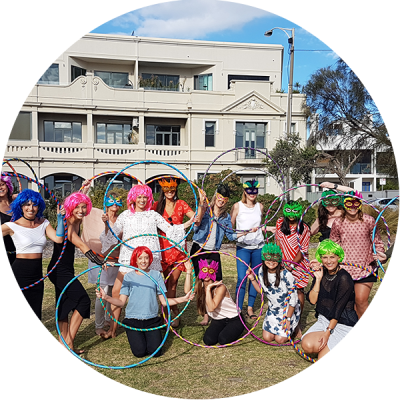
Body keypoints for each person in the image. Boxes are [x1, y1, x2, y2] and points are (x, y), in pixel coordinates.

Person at [100, 184, 194, 339]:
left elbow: (169, 230)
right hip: (128, 258)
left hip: (150, 259)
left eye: (145, 197)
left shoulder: (153, 215)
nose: (142, 200)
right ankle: (113, 328)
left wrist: (188, 223)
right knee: (117, 292)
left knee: (154, 292)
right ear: (133, 198)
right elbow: (113, 235)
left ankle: (158, 321)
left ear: (149, 198)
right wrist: (105, 224)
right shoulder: (124, 215)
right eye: (139, 197)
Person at [96, 246, 194, 358]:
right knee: (139, 353)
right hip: (133, 320)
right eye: (140, 258)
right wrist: (106, 297)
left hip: (151, 320)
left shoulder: (156, 275)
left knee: (156, 353)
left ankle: (149, 336)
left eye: (146, 258)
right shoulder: (128, 277)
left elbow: (164, 302)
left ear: (150, 259)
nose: (143, 261)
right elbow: (121, 302)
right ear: (135, 260)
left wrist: (184, 299)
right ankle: (139, 336)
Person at [47, 191, 106, 353]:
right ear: (70, 208)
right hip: (58, 270)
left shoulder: (77, 220)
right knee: (83, 301)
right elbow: (81, 245)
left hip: (66, 268)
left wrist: (84, 189)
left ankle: (63, 343)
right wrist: (101, 261)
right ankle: (68, 343)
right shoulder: (67, 223)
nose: (81, 210)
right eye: (77, 207)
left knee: (64, 306)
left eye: (83, 207)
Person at [192, 183, 258, 325]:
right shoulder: (205, 210)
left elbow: (231, 235)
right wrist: (201, 205)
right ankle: (205, 315)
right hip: (200, 249)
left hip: (214, 251)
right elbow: (195, 224)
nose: (222, 201)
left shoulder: (226, 217)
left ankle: (214, 311)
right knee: (202, 284)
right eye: (220, 197)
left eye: (225, 199)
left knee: (215, 283)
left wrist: (247, 231)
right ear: (216, 196)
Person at [1, 189, 64, 320]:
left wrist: (60, 219)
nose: (31, 208)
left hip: (36, 274)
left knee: (35, 311)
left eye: (34, 204)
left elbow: (58, 239)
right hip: (19, 273)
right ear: (21, 206)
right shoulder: (12, 225)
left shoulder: (44, 223)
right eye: (27, 204)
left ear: (39, 206)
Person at [330, 191, 385, 320]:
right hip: (345, 268)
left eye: (356, 202)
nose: (353, 206)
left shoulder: (369, 220)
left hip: (366, 267)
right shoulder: (338, 222)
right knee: (350, 304)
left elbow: (377, 241)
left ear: (360, 203)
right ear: (344, 204)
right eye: (349, 203)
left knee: (361, 301)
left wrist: (380, 255)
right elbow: (334, 246)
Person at [301, 239, 359, 360]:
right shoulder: (321, 273)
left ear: (339, 257)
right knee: (307, 346)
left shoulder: (344, 278)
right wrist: (317, 279)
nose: (328, 261)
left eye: (332, 257)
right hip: (324, 320)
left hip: (343, 323)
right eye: (325, 257)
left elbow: (338, 309)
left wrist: (327, 333)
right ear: (320, 258)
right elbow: (312, 300)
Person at [80, 180, 121, 336]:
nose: (114, 205)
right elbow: (80, 204)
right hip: (99, 260)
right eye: (111, 202)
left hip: (116, 262)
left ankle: (109, 320)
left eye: (118, 202)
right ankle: (98, 325)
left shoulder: (122, 219)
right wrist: (85, 188)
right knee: (101, 292)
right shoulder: (95, 214)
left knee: (111, 293)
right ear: (106, 204)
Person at [152, 178, 195, 328]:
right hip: (162, 250)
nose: (170, 192)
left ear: (175, 190)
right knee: (164, 283)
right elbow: (142, 214)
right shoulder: (156, 206)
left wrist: (202, 203)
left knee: (173, 283)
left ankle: (169, 312)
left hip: (177, 250)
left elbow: (195, 218)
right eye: (167, 190)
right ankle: (169, 309)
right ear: (163, 191)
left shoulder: (181, 204)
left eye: (172, 189)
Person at [231, 179, 275, 320]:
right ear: (244, 191)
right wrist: (243, 233)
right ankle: (238, 308)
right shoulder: (237, 206)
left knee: (255, 278)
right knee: (241, 278)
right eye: (249, 191)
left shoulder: (260, 207)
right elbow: (231, 227)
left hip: (258, 247)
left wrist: (267, 228)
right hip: (243, 247)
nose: (252, 194)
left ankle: (250, 308)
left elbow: (259, 226)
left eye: (254, 191)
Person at [247, 243, 301, 343]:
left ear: (279, 259)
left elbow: (293, 300)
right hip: (273, 310)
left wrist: (288, 319)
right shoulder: (261, 272)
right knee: (267, 338)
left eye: (275, 259)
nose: (271, 262)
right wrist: (252, 279)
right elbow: (261, 291)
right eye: (268, 258)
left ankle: (294, 326)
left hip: (288, 310)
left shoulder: (286, 275)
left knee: (280, 340)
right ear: (263, 258)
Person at [184, 258, 244, 346]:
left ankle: (236, 329)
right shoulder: (200, 286)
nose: (207, 274)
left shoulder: (220, 287)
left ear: (214, 272)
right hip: (218, 319)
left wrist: (208, 289)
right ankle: (225, 329)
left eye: (210, 270)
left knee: (223, 339)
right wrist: (188, 272)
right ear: (200, 271)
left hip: (235, 318)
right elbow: (187, 292)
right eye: (204, 270)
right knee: (208, 340)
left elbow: (212, 308)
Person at [275, 200, 311, 312]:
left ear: (299, 212)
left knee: (299, 290)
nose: (291, 214)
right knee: (284, 290)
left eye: (294, 211)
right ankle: (286, 317)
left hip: (298, 263)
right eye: (289, 211)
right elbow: (278, 242)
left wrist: (291, 265)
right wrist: (278, 260)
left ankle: (298, 319)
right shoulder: (280, 222)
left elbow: (303, 250)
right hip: (282, 262)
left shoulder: (304, 228)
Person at [0, 174, 18, 266]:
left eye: (2, 184)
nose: (0, 187)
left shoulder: (16, 203)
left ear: (7, 185)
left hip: (18, 250)